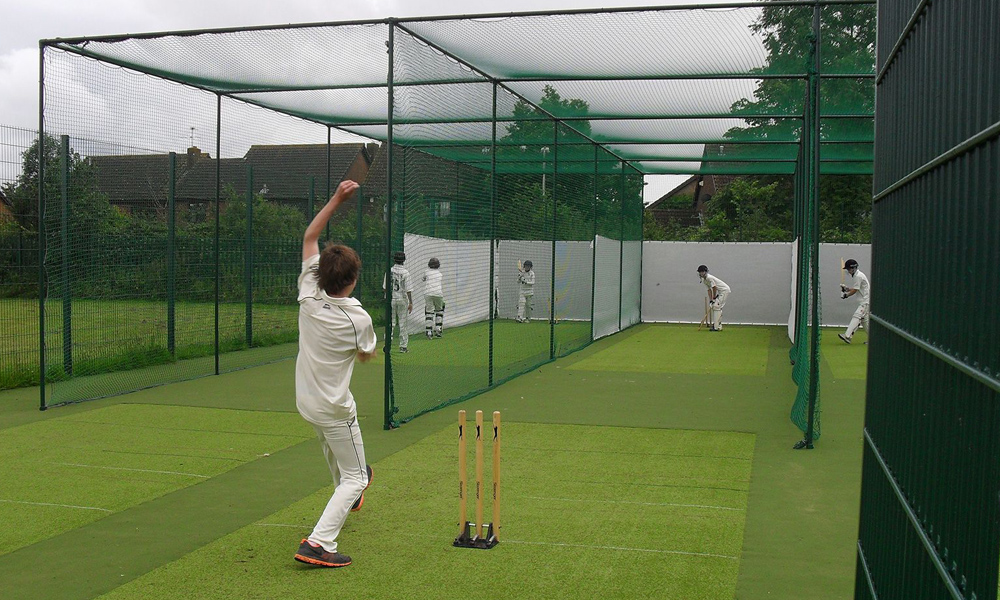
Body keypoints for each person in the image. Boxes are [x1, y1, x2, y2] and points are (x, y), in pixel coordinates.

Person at [292, 180, 376, 569]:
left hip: (306, 402)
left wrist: (337, 200)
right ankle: (319, 543)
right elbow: (366, 354)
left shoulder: (308, 289)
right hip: (334, 406)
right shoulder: (357, 317)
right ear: (353, 279)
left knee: (339, 455)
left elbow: (311, 235)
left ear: (321, 273)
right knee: (358, 476)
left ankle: (346, 491)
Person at [383, 251, 413, 352]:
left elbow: (385, 287)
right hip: (402, 299)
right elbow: (408, 290)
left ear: (394, 259)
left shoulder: (389, 271)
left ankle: (387, 344)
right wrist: (411, 302)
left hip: (391, 299)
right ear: (404, 260)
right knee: (402, 323)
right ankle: (403, 346)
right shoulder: (406, 273)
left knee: (390, 322)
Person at [838, 258, 870, 344]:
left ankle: (847, 336)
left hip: (865, 302)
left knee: (857, 316)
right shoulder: (857, 275)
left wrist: (846, 295)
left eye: (849, 269)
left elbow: (855, 290)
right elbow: (857, 288)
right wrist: (847, 289)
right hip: (865, 301)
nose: (848, 271)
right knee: (865, 321)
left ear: (853, 268)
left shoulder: (858, 276)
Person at [697, 265, 731, 332]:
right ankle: (718, 326)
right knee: (715, 306)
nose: (701, 273)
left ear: (705, 272)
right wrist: (711, 300)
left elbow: (714, 287)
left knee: (716, 307)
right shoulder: (704, 280)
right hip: (720, 292)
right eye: (700, 272)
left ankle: (716, 327)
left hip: (724, 291)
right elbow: (709, 290)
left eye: (702, 272)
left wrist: (714, 298)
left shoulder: (709, 278)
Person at [423, 257, 445, 338]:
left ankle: (429, 331)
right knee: (439, 310)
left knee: (429, 312)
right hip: (438, 293)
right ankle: (438, 329)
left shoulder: (426, 272)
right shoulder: (440, 274)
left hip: (428, 293)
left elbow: (423, 279)